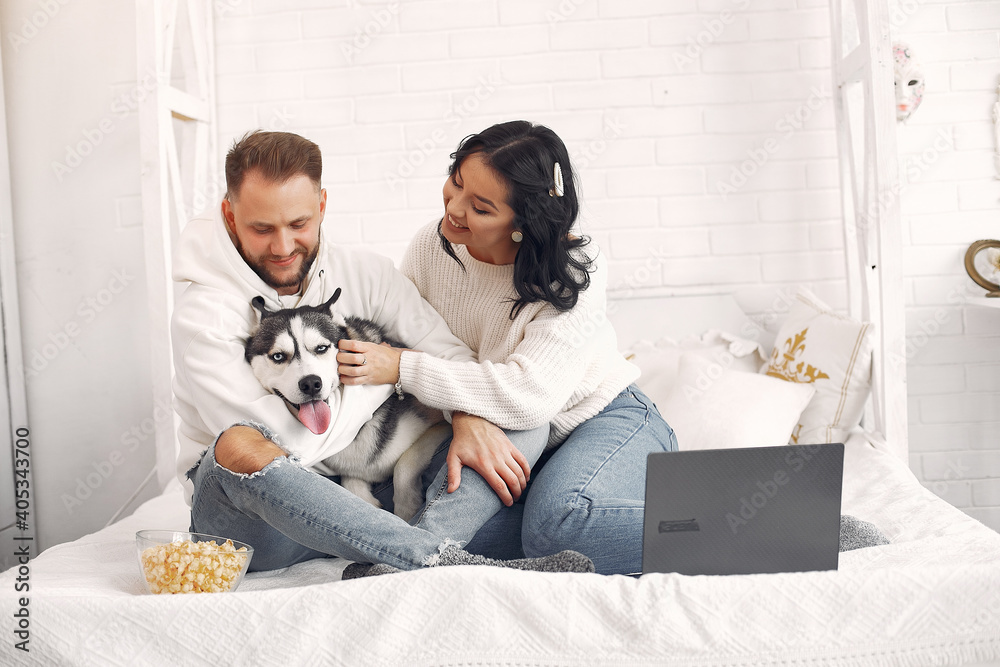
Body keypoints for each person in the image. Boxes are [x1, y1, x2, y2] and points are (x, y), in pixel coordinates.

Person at [172, 129, 594, 575]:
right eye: (261, 229)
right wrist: (386, 377)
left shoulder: (364, 272)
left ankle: (404, 558)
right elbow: (288, 444)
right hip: (256, 523)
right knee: (239, 444)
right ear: (230, 214)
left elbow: (454, 358)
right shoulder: (205, 316)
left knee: (519, 420)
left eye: (298, 224)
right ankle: (431, 558)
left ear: (321, 206)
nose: (282, 247)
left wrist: (466, 414)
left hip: (358, 498)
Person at [338, 121, 678, 576]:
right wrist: (463, 415)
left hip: (598, 419)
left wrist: (401, 367)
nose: (454, 209)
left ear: (523, 223)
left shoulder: (573, 272)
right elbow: (413, 341)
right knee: (429, 515)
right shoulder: (431, 247)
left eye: (480, 207)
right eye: (455, 183)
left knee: (558, 528)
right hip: (507, 437)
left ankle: (727, 523)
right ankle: (435, 554)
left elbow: (526, 395)